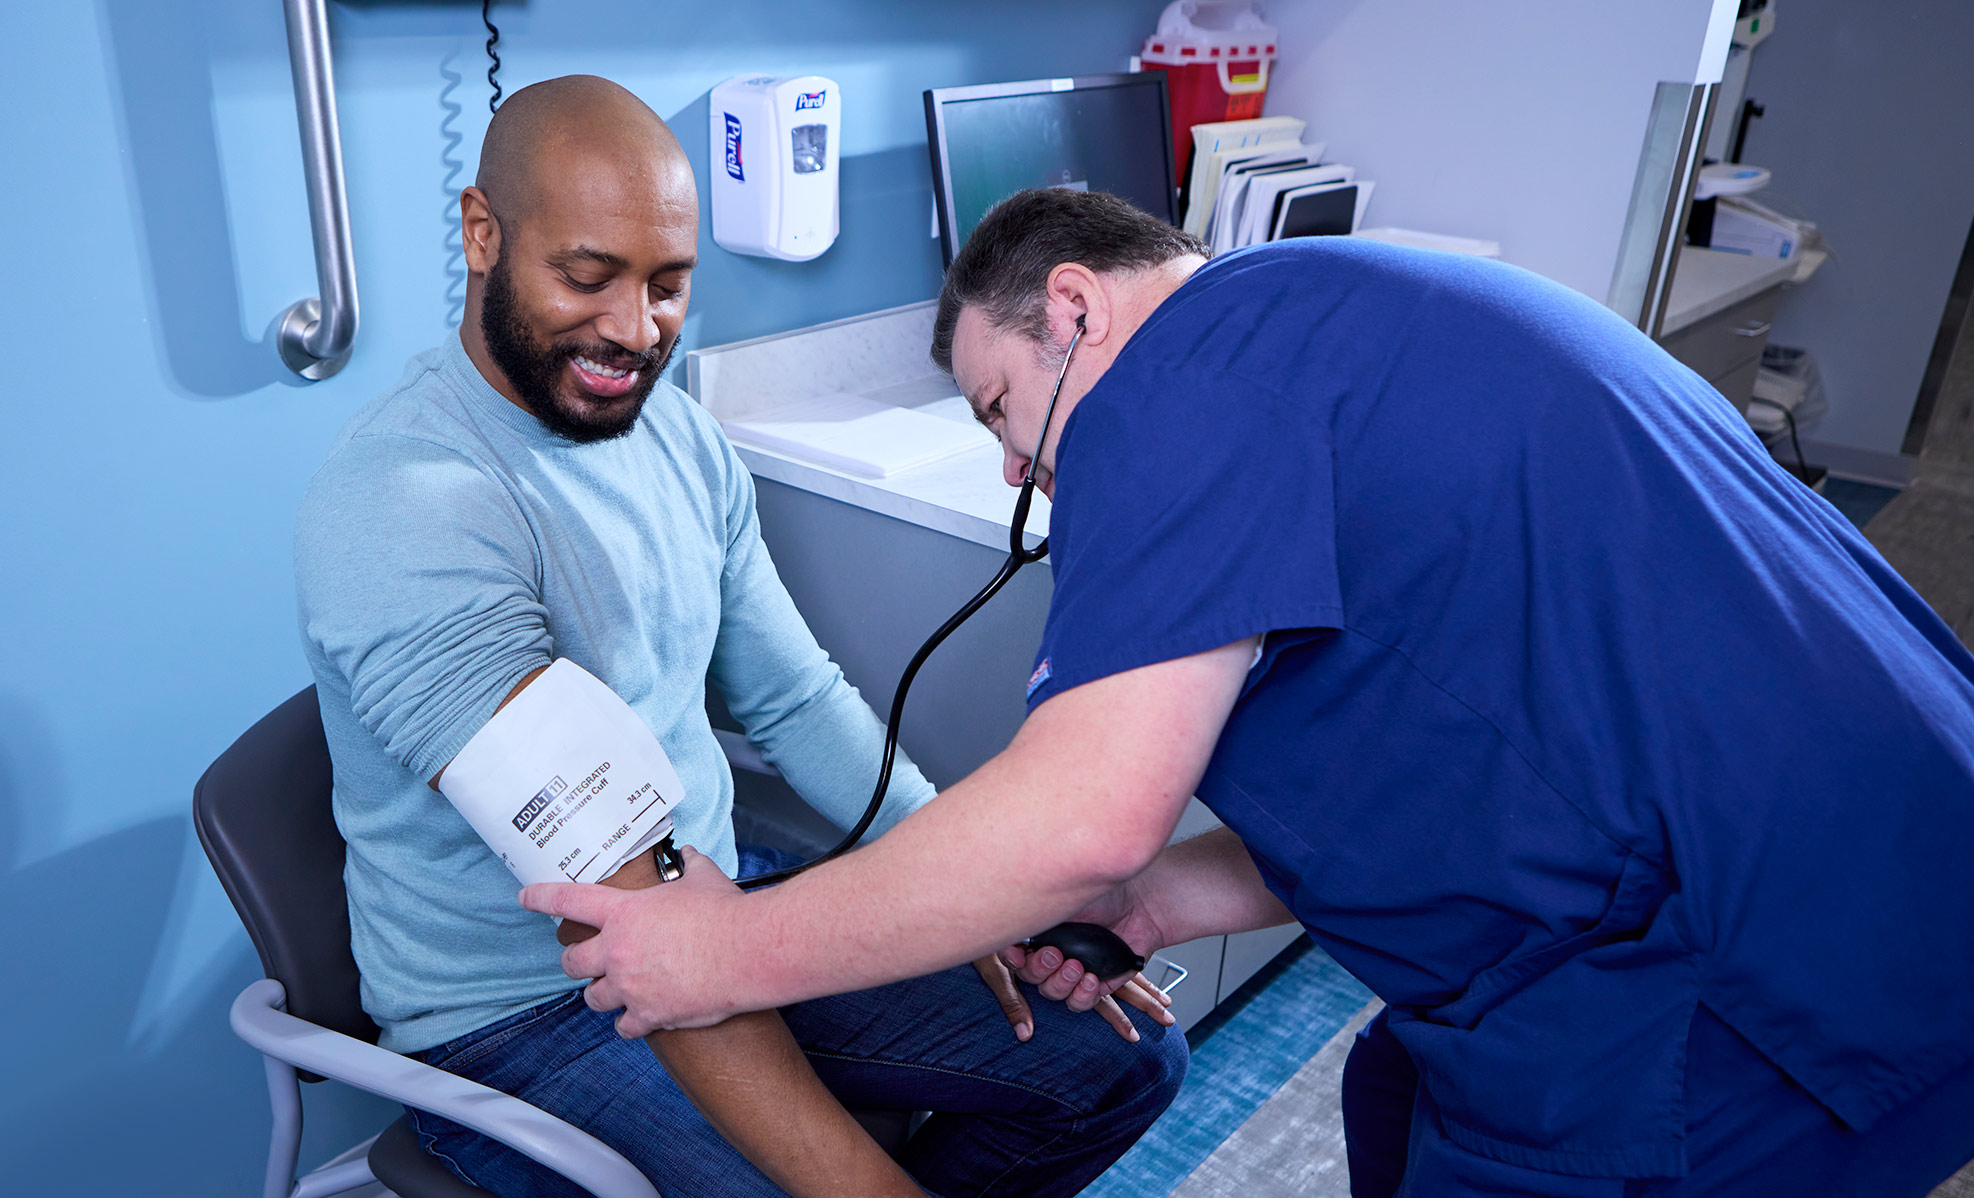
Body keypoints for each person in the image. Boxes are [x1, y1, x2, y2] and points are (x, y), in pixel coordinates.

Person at [525, 187, 1974, 1196]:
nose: (1015, 467)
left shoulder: (1178, 387)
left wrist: (720, 952)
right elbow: (1426, 755)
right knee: (1393, 1095)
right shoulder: (1335, 323)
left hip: (1768, 971)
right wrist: (1158, 899)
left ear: (1075, 309)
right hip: (1882, 847)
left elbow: (1078, 818)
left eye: (1000, 408)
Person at [295, 87, 1185, 1198]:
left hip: (716, 908)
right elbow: (617, 896)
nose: (635, 329)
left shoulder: (677, 435)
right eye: (586, 276)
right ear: (483, 233)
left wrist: (973, 901)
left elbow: (795, 698)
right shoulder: (406, 504)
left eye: (666, 285)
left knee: (1118, 1061)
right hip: (523, 1013)